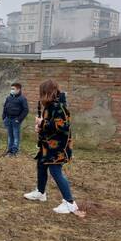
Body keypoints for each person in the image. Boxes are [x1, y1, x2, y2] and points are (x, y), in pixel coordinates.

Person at [24, 79, 79, 214]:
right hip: (47, 145)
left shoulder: (59, 107)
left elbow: (62, 127)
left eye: (41, 92)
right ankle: (41, 192)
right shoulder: (50, 106)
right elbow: (49, 125)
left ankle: (70, 203)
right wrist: (40, 128)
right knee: (41, 165)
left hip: (58, 147)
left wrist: (42, 123)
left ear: (47, 92)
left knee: (55, 171)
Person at [2, 82, 29, 156]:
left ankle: (14, 151)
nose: (11, 90)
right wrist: (4, 117)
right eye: (11, 89)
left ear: (18, 89)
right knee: (10, 136)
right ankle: (9, 150)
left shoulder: (22, 99)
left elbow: (25, 110)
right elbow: (5, 108)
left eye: (13, 89)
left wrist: (19, 119)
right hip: (8, 119)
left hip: (15, 120)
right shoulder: (8, 98)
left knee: (16, 136)